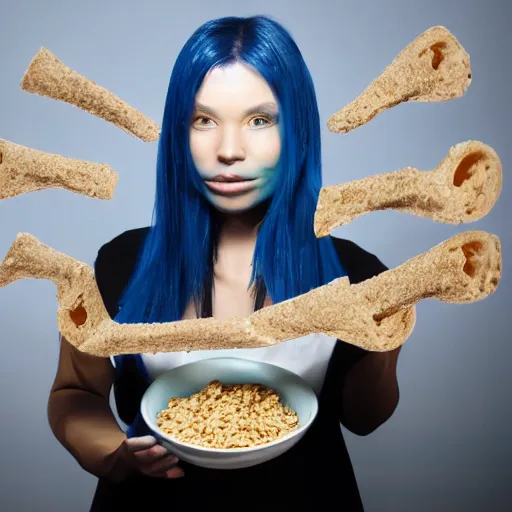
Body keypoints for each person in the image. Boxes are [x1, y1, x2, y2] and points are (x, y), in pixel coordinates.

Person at [47, 15, 402, 510]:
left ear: (296, 130)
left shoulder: (357, 275)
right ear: (179, 132)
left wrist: (387, 341)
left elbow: (365, 418)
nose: (228, 151)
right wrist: (115, 455)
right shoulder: (119, 263)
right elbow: (73, 395)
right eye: (203, 120)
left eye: (260, 120)